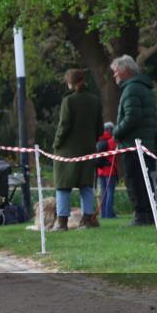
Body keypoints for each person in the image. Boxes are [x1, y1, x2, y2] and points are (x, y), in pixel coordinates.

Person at [51, 68, 103, 231]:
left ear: (70, 83)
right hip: (88, 148)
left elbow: (64, 125)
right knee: (86, 185)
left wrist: (56, 143)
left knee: (63, 186)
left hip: (67, 150)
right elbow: (100, 129)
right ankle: (87, 220)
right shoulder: (95, 100)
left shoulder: (69, 101)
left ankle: (62, 223)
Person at [110, 55, 157, 226]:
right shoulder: (143, 88)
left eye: (116, 72)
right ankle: (148, 214)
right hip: (147, 143)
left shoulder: (131, 90)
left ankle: (141, 215)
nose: (114, 76)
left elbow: (132, 117)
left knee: (135, 180)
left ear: (126, 71)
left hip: (133, 144)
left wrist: (116, 131)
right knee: (146, 180)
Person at [96, 122, 119, 219]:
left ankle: (103, 214)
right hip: (110, 170)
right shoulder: (112, 140)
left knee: (103, 193)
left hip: (100, 170)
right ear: (110, 129)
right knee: (110, 192)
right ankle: (109, 214)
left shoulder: (98, 139)